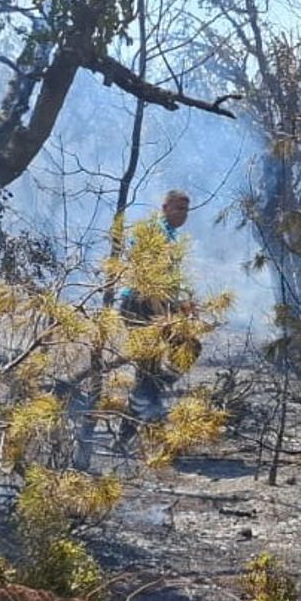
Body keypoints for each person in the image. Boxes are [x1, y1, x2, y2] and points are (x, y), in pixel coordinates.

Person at [116, 190, 200, 444]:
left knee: (188, 348)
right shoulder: (156, 233)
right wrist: (162, 316)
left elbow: (166, 282)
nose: (183, 214)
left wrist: (180, 306)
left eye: (186, 210)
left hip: (158, 305)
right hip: (140, 305)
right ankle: (128, 434)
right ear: (164, 207)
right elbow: (149, 282)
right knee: (147, 370)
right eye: (178, 209)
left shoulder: (171, 235)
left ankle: (151, 397)